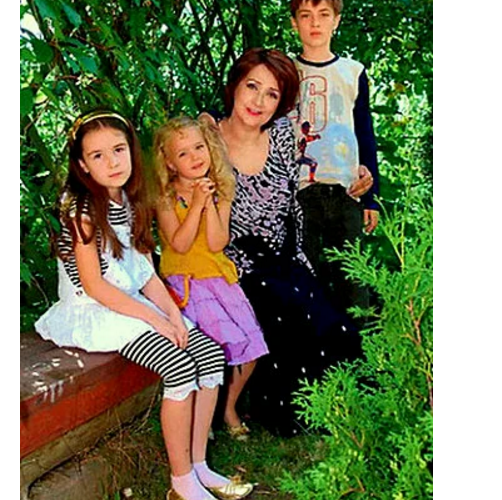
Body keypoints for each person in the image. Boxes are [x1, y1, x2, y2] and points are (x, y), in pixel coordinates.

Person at [34, 110, 253, 500]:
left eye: (118, 150)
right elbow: (95, 286)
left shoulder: (130, 200)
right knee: (179, 366)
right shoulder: (83, 211)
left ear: (132, 152)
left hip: (131, 303)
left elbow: (146, 273)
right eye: (98, 155)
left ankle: (199, 465)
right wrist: (156, 320)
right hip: (96, 312)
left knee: (209, 355)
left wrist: (173, 315)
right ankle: (181, 482)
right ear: (82, 165)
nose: (112, 162)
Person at [203, 48, 363, 437]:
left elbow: (325, 160)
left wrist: (359, 173)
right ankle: (279, 410)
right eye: (251, 86)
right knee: (284, 309)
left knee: (332, 323)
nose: (258, 101)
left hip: (280, 255)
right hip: (229, 263)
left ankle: (333, 406)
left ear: (281, 103)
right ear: (234, 86)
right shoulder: (205, 139)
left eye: (271, 94)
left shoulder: (282, 136)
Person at [153, 115, 269, 441]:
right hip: (187, 282)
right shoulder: (165, 197)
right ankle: (201, 421)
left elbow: (218, 242)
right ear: (170, 164)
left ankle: (227, 407)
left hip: (219, 278)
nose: (195, 157)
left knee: (251, 347)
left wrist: (211, 204)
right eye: (183, 153)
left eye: (199, 147)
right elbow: (179, 243)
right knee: (210, 351)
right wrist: (196, 206)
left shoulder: (220, 189)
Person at [289, 0, 380, 316]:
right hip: (299, 194)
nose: (315, 23)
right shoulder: (284, 70)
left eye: (323, 15)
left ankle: (359, 346)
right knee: (307, 282)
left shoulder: (353, 72)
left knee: (352, 286)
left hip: (346, 192)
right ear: (294, 23)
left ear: (336, 21)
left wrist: (371, 197)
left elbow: (364, 132)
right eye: (306, 16)